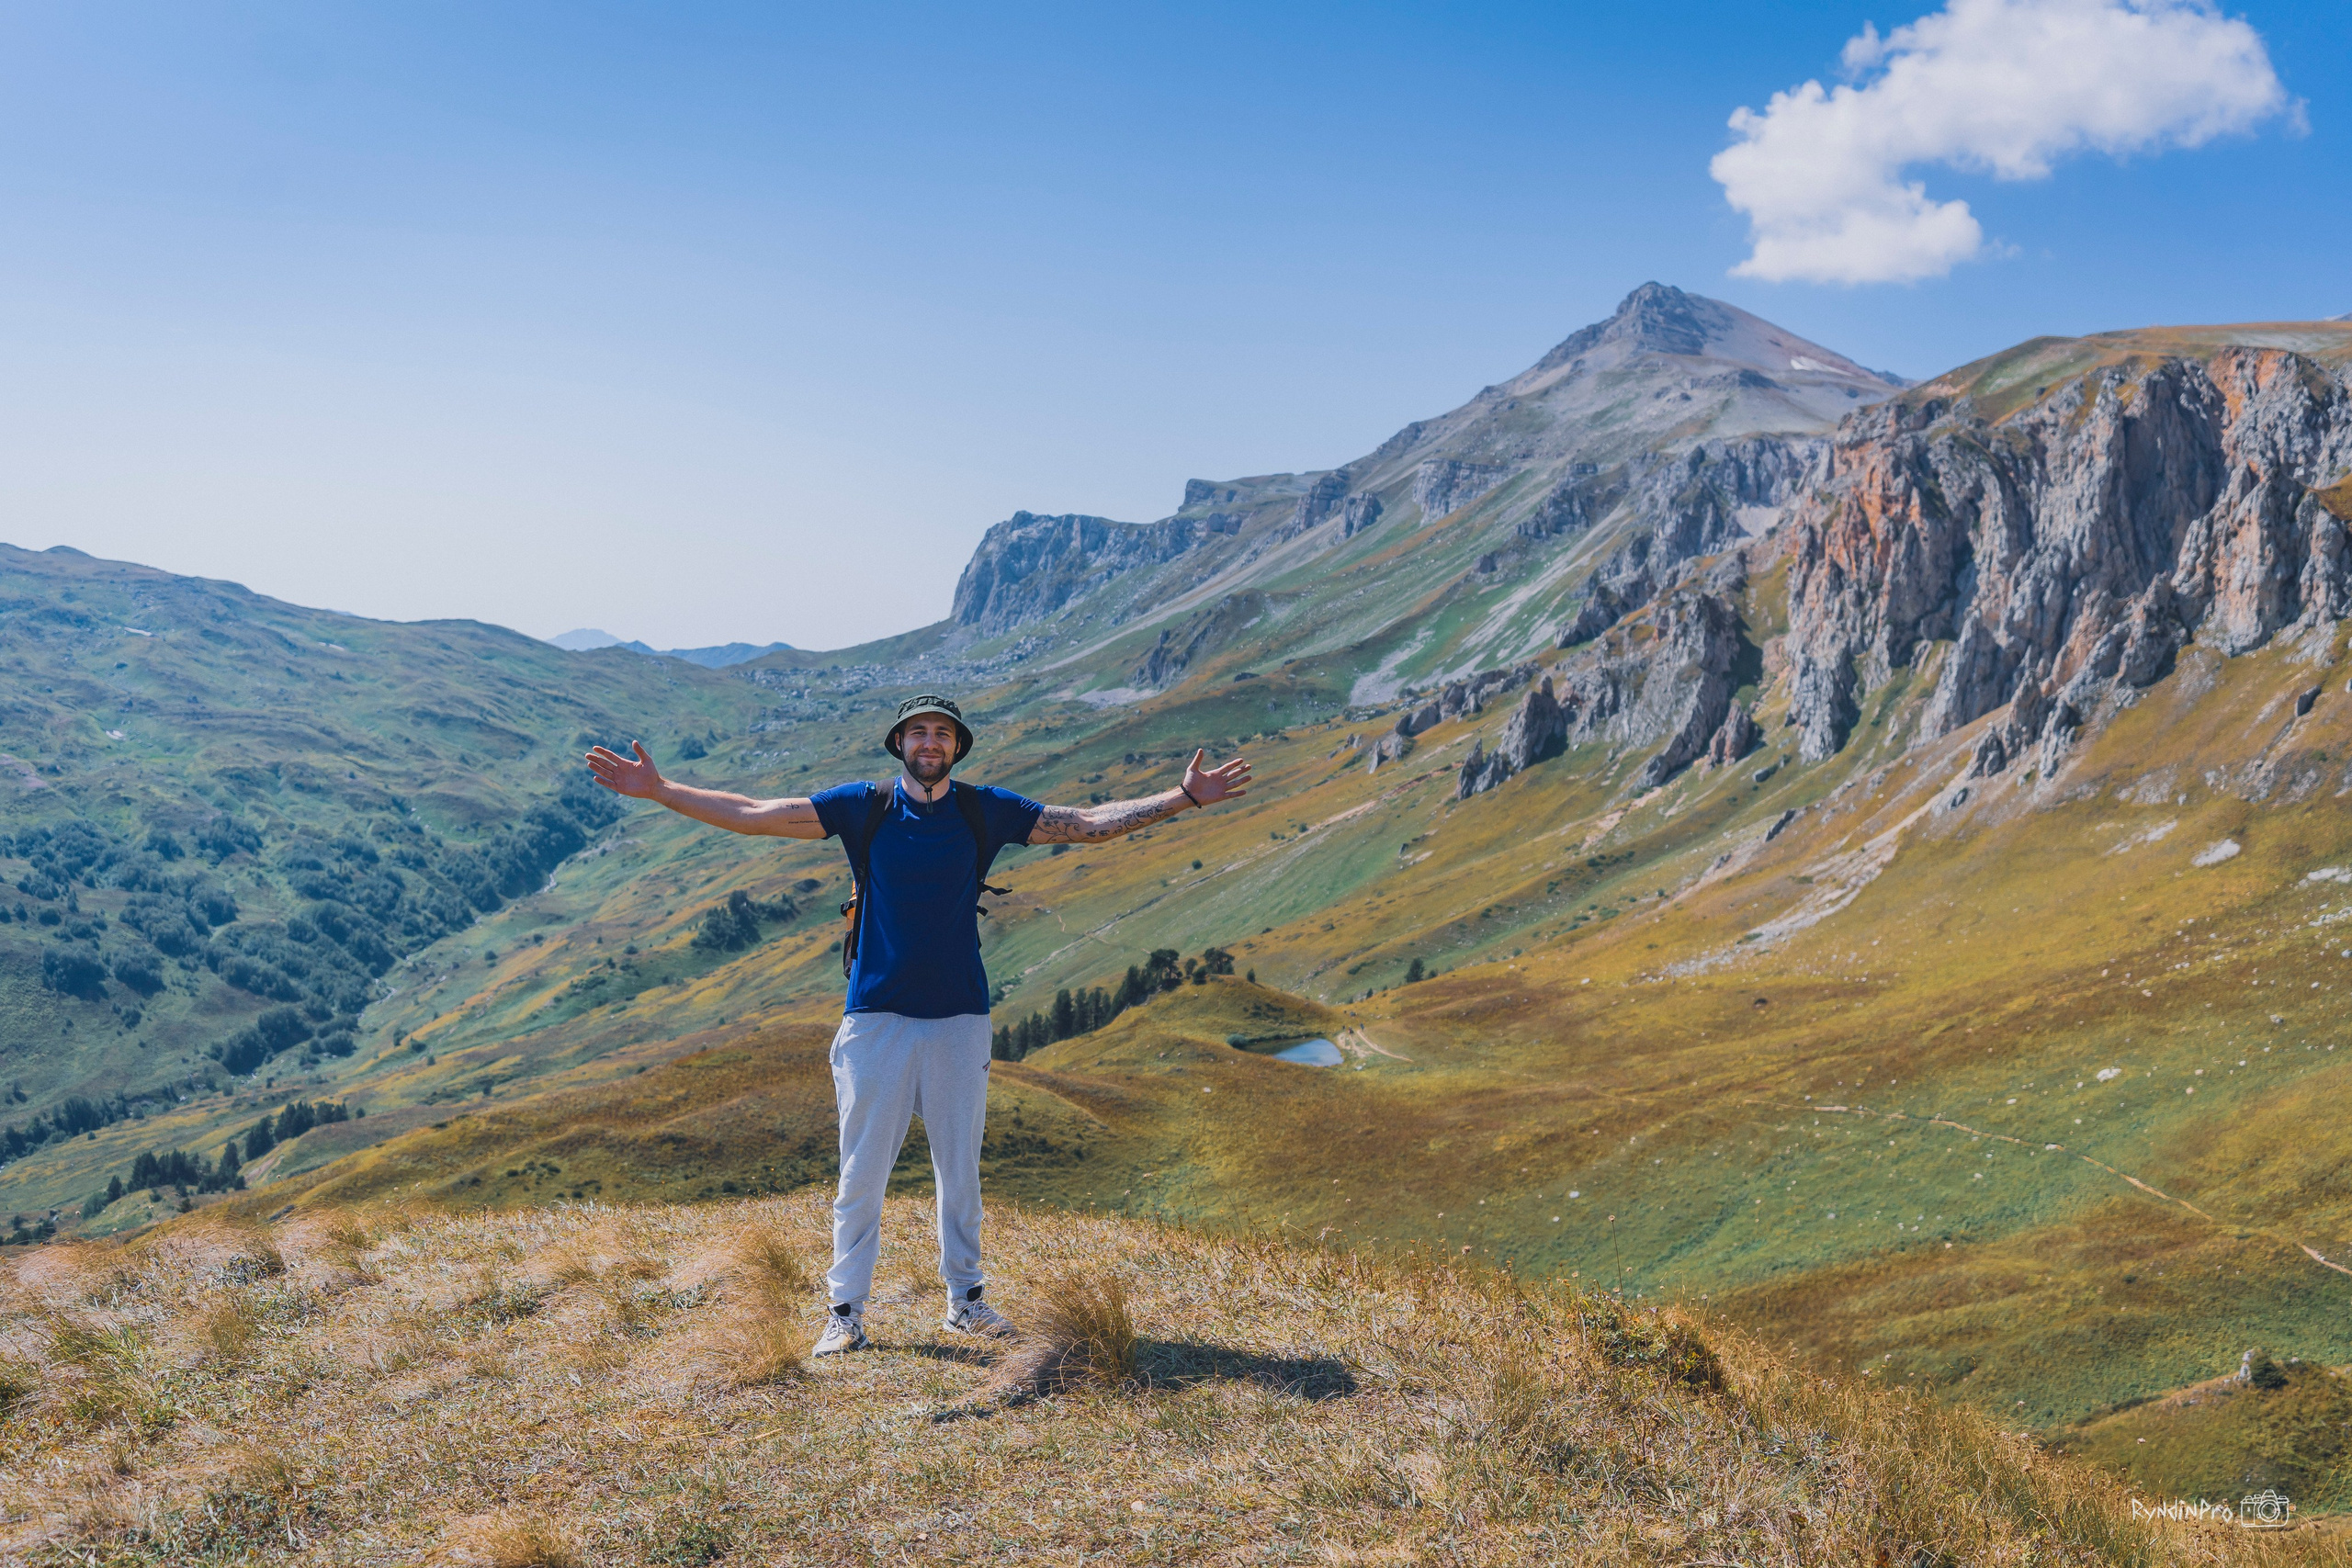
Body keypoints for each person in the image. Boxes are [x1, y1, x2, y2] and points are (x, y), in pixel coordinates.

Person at [583, 694, 1250, 1355]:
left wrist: (1182, 798)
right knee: (861, 1174)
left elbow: (1085, 823)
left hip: (960, 1016)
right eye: (918, 732)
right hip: (875, 1018)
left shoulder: (983, 809)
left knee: (959, 1170)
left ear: (957, 747)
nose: (930, 743)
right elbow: (759, 815)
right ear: (898, 742)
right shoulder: (862, 807)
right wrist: (663, 789)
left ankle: (966, 1301)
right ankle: (845, 1311)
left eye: (943, 734)